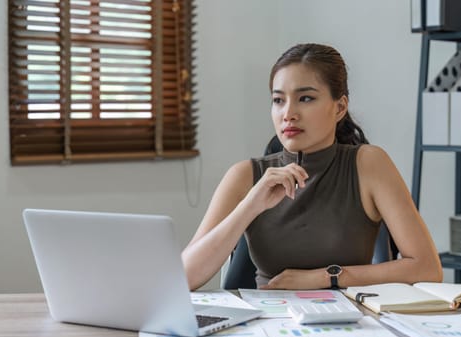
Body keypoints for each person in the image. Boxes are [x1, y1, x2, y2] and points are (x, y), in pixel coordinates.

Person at [182, 43, 443, 291]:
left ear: (340, 107)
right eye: (278, 100)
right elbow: (184, 277)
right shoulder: (243, 176)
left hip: (352, 323)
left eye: (305, 98)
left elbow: (427, 268)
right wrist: (251, 206)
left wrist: (323, 278)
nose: (288, 113)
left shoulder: (370, 164)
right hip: (268, 323)